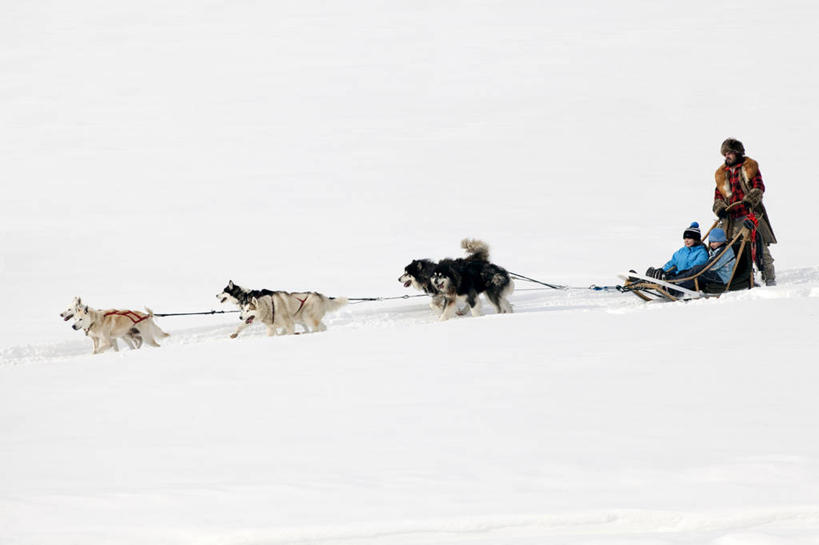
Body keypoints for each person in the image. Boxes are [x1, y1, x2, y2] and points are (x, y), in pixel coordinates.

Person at [713, 138, 777, 285]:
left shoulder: (749, 167)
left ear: (737, 153)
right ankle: (743, 279)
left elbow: (758, 187)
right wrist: (720, 208)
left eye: (729, 153)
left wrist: (750, 199)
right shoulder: (721, 174)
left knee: (759, 246)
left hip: (750, 214)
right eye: (725, 154)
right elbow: (717, 196)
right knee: (733, 249)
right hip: (731, 219)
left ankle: (769, 277)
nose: (727, 156)